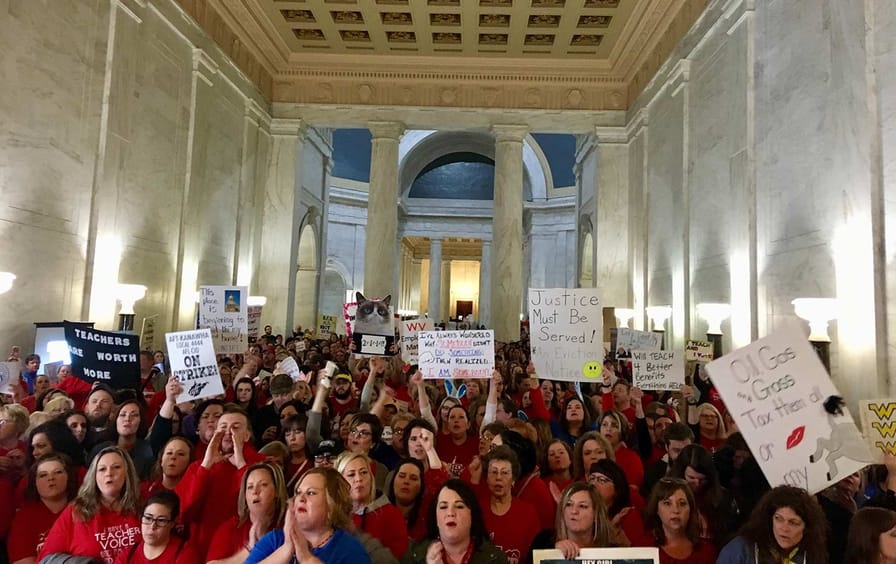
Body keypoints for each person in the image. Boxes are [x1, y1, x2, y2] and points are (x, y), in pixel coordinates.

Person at [176, 404, 266, 557]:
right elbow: (185, 514)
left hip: (243, 551)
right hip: (201, 550)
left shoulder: (263, 466)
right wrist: (205, 466)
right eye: (223, 427)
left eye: (235, 427)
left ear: (247, 435)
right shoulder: (198, 467)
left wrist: (242, 466)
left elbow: (263, 510)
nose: (228, 432)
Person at [38, 445, 142, 563]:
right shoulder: (76, 511)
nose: (109, 473)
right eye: (102, 469)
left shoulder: (142, 508)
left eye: (116, 467)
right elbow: (46, 560)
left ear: (127, 474)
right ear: (94, 476)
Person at [246, 467, 371, 564]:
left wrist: (306, 558)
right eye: (298, 492)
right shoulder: (274, 540)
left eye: (311, 493)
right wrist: (286, 549)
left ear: (332, 505)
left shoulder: (349, 550)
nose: (301, 498)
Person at [401, 479, 508, 564]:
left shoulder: (495, 559)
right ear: (435, 517)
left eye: (459, 506)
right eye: (443, 507)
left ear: (472, 515)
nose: (450, 513)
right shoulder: (414, 555)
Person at [718, 485, 828, 564]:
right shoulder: (740, 550)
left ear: (807, 528)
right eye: (778, 519)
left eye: (793, 523)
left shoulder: (812, 554)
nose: (784, 528)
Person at [207, 461, 287, 563]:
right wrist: (250, 548)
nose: (255, 491)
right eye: (250, 487)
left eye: (263, 485)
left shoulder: (288, 525)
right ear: (245, 495)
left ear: (277, 491)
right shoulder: (231, 528)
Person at [7, 453, 79, 564]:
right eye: (43, 475)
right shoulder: (25, 517)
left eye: (58, 472)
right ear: (34, 482)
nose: (51, 478)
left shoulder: (84, 510)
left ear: (69, 477)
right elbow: (22, 560)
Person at [336, 451, 408, 559]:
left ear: (371, 477)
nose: (358, 479)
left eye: (364, 472)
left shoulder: (390, 514)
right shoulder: (333, 516)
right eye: (351, 474)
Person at [667, 443, 740, 548]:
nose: (697, 483)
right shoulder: (666, 494)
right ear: (681, 474)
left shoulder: (723, 498)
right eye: (691, 478)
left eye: (702, 479)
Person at [480, 446, 540, 564]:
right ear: (486, 478)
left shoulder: (528, 514)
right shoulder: (476, 511)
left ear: (513, 479)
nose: (498, 478)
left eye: (505, 473)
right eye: (493, 472)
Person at [640, 477, 716, 563]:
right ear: (656, 509)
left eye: (682, 503)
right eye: (667, 503)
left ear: (690, 509)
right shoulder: (644, 548)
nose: (676, 510)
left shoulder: (706, 551)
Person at [114, 490, 199, 563]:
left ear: (172, 523)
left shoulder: (184, 553)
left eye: (161, 520)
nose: (152, 526)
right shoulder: (128, 554)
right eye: (148, 518)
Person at [546, 482, 622, 558]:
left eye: (582, 506)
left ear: (596, 514)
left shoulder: (613, 552)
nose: (574, 511)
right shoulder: (545, 542)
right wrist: (553, 550)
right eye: (568, 504)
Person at [598, 410, 643, 488]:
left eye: (614, 425)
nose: (608, 429)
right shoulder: (594, 454)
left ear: (622, 430)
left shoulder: (632, 459)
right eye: (604, 424)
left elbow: (632, 491)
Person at [386, 458, 428, 540]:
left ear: (421, 487)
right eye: (401, 476)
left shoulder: (426, 521)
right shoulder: (378, 515)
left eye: (413, 478)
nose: (406, 481)